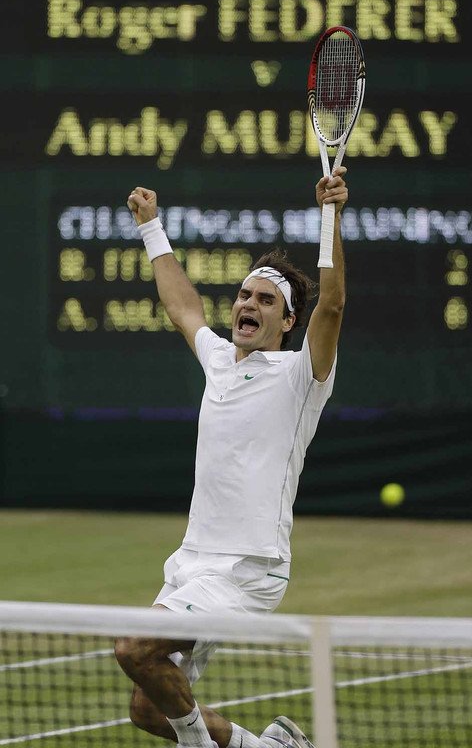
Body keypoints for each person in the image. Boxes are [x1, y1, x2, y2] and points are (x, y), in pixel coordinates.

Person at [115, 168, 348, 748]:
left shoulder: (301, 376)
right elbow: (183, 307)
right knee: (147, 706)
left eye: (267, 300)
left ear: (287, 322)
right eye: (245, 295)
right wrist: (151, 228)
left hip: (247, 568)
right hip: (193, 560)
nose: (249, 303)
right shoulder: (219, 359)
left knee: (133, 648)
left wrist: (331, 216)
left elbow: (333, 306)